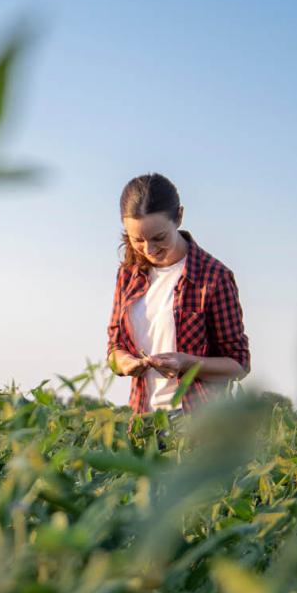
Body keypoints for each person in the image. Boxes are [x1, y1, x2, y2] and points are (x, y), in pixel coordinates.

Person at [106, 173, 250, 414]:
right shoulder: (127, 275)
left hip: (195, 422)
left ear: (179, 217)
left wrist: (187, 363)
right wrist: (124, 363)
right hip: (142, 417)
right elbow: (114, 347)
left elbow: (239, 365)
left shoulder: (213, 277)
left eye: (158, 237)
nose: (148, 249)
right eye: (137, 240)